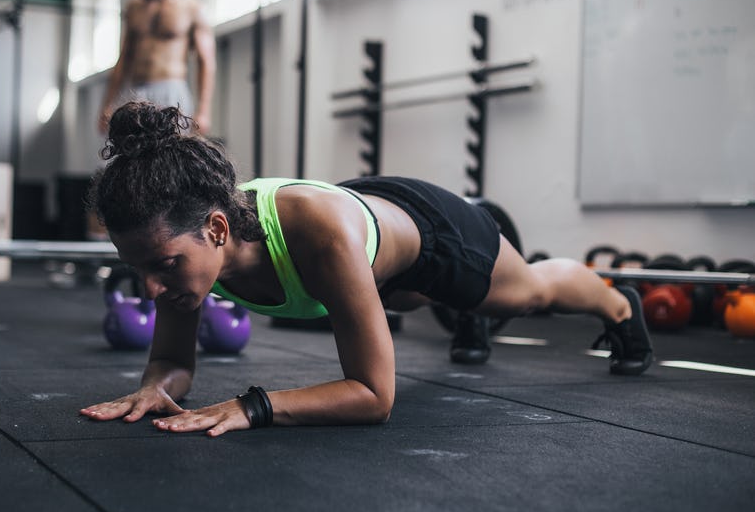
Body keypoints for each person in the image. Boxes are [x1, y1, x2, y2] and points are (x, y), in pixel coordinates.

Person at [80, 102, 653, 437]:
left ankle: (620, 304)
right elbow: (175, 360)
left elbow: (375, 396)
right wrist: (155, 389)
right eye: (139, 270)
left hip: (432, 231)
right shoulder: (183, 248)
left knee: (524, 294)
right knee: (399, 297)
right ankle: (458, 302)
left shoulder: (319, 241)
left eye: (162, 267)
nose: (152, 287)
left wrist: (254, 405)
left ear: (218, 229)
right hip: (371, 238)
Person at [97, 0, 216, 136]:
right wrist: (108, 103)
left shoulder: (191, 6)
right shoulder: (135, 7)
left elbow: (206, 61)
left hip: (172, 92)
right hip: (135, 92)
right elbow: (124, 58)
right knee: (130, 158)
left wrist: (204, 110)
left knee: (170, 159)